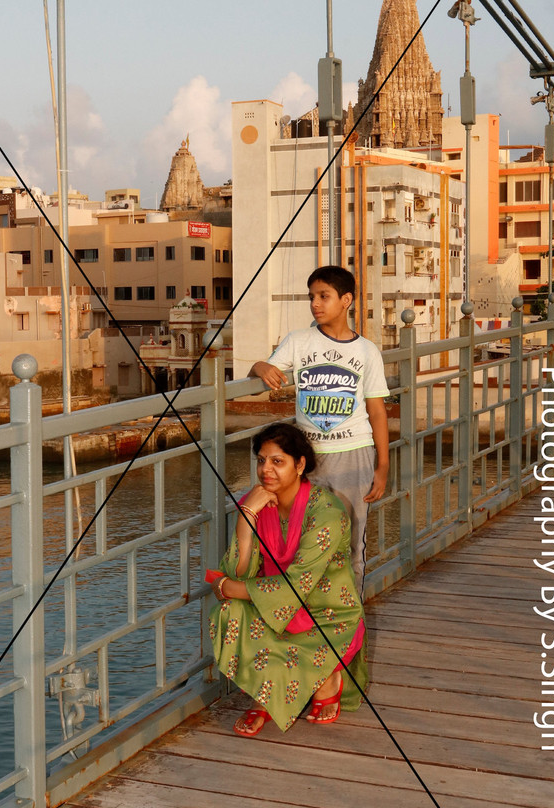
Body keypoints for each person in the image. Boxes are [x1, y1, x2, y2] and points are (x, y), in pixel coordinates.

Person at [207, 423, 368, 736]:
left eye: (277, 462)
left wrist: (227, 588)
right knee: (228, 613)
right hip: (274, 607)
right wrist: (245, 520)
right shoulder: (254, 503)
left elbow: (294, 587)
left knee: (235, 600)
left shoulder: (327, 512)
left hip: (326, 616)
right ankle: (267, 693)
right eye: (261, 460)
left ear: (300, 465)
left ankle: (328, 679)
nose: (266, 470)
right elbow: (239, 570)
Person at [249, 265, 389, 594]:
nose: (315, 303)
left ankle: (350, 617)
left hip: (354, 455)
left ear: (346, 300)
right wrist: (260, 366)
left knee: (353, 540)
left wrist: (382, 466)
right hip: (305, 460)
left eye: (324, 296)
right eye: (312, 297)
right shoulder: (299, 341)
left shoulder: (367, 351)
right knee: (302, 538)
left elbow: (377, 412)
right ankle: (309, 615)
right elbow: (261, 372)